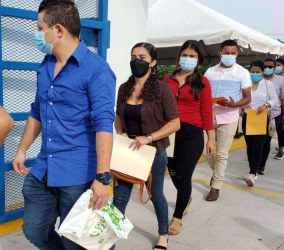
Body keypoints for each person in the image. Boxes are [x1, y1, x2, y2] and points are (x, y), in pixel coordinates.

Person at [12, 1, 116, 249]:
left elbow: (104, 124)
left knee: (80, 242)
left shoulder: (96, 70)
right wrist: (22, 149)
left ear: (58, 30)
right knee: (34, 230)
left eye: (40, 28)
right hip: (43, 169)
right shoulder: (46, 65)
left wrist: (103, 178)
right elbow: (37, 110)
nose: (37, 35)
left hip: (78, 175)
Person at [114, 42, 180, 250]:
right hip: (128, 151)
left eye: (142, 57)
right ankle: (111, 236)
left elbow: (174, 123)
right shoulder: (124, 89)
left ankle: (163, 234)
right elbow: (118, 116)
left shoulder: (162, 89)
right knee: (120, 196)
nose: (137, 61)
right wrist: (121, 133)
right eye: (133, 57)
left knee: (156, 194)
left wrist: (148, 137)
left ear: (153, 62)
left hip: (153, 152)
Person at [162, 40, 214, 235]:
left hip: (192, 133)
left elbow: (207, 112)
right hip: (170, 131)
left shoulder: (203, 82)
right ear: (179, 56)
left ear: (198, 59)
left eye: (192, 56)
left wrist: (210, 138)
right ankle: (187, 196)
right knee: (173, 171)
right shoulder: (167, 78)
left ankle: (177, 217)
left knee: (184, 175)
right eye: (185, 55)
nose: (188, 59)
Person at [204, 39, 251, 201]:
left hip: (229, 117)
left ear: (237, 54)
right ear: (220, 53)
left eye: (233, 53)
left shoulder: (242, 73)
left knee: (222, 153)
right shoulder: (210, 72)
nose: (229, 56)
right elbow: (203, 93)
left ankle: (215, 187)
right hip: (208, 116)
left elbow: (247, 98)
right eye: (226, 53)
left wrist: (234, 104)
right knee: (206, 151)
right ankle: (216, 173)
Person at [242, 61, 278, 186]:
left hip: (261, 118)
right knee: (250, 146)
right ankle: (251, 170)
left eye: (257, 72)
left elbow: (274, 99)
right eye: (252, 72)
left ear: (262, 72)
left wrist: (266, 105)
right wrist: (242, 104)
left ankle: (253, 173)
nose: (255, 74)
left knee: (258, 146)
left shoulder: (268, 85)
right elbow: (238, 98)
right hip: (248, 117)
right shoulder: (245, 85)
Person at [258, 58, 284, 174]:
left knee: (266, 140)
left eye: (270, 67)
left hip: (273, 115)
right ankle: (255, 163)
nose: (267, 69)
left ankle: (261, 165)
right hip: (257, 114)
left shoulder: (281, 80)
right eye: (265, 66)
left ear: (275, 68)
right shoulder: (256, 78)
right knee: (257, 141)